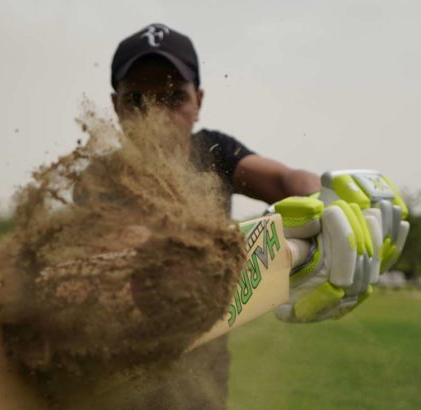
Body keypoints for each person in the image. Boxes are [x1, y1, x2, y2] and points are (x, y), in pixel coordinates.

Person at [107, 23, 409, 409]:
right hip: (119, 384)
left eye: (172, 96)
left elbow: (286, 179)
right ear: (115, 106)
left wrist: (330, 199)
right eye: (136, 100)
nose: (156, 115)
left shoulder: (213, 151)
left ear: (197, 101)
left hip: (204, 387)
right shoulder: (97, 177)